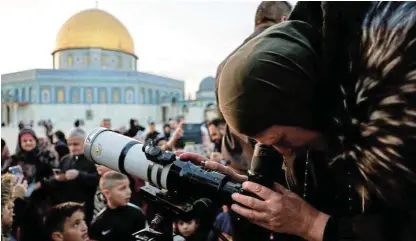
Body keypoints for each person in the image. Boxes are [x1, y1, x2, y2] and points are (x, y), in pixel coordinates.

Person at [180, 2, 416, 241]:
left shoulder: (397, 126)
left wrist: (312, 224)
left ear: (306, 106)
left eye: (282, 139)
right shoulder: (322, 128)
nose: (283, 151)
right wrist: (244, 188)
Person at [216, 1, 292, 174]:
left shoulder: (226, 63)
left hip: (235, 166)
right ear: (284, 20)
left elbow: (224, 115)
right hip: (274, 171)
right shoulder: (286, 54)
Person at [89, 171, 147, 241]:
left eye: (129, 186)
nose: (129, 191)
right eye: (122, 188)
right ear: (107, 193)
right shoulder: (98, 223)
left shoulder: (137, 213)